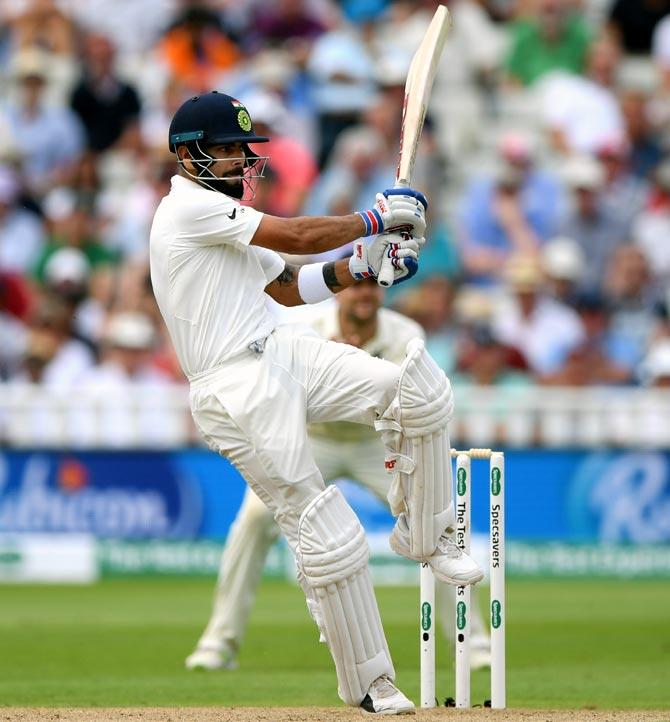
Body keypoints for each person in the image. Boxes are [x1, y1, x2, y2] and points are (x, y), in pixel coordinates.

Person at [149, 90, 482, 715]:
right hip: (232, 384)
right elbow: (298, 233)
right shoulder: (186, 210)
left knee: (415, 389)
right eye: (225, 151)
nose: (241, 164)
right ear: (189, 156)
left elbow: (289, 286)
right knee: (325, 529)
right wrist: (373, 220)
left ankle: (428, 534)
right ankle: (371, 683)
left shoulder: (226, 217)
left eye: (242, 152)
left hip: (280, 346)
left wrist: (360, 267)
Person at [184, 279, 492, 674]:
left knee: (434, 524)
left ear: (381, 294)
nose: (364, 295)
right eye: (356, 288)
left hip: (375, 442)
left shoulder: (405, 334)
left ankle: (474, 643)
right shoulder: (306, 329)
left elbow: (404, 400)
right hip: (313, 438)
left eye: (372, 289)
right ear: (340, 292)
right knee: (255, 518)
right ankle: (218, 643)